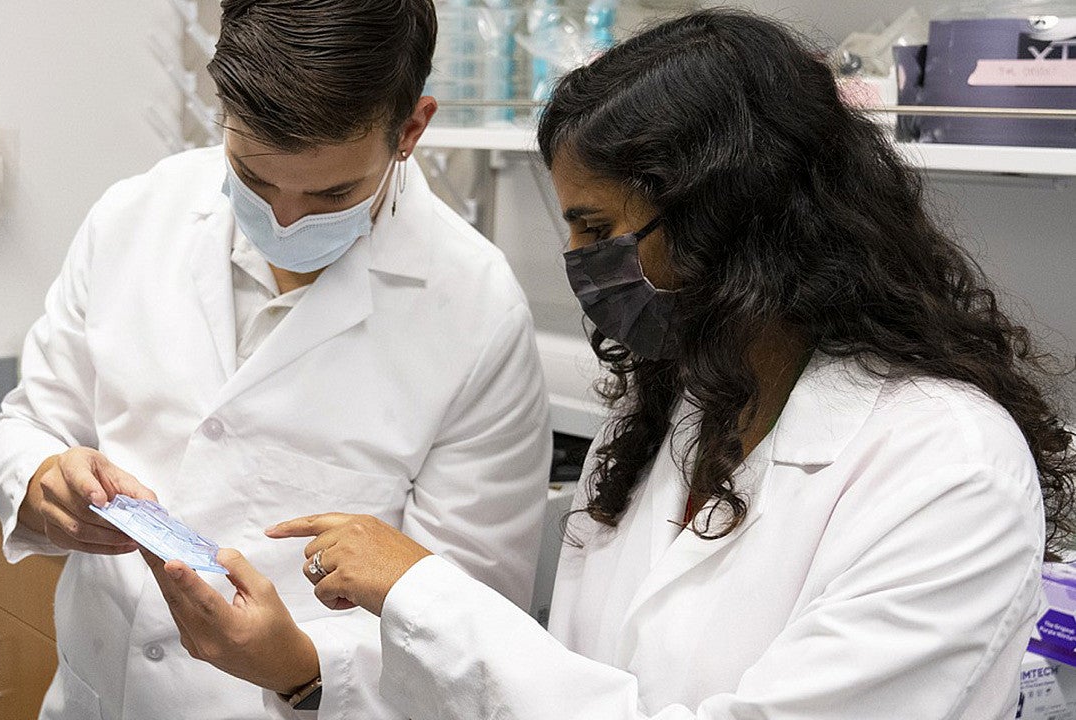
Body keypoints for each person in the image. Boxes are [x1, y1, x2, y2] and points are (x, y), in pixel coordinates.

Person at [144, 7, 1076, 720]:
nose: (582, 262)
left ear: (734, 216)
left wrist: (424, 591)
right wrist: (307, 671)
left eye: (598, 228)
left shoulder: (944, 466)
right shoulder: (678, 418)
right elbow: (570, 691)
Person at [0, 1, 552, 718]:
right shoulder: (135, 216)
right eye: (253, 179)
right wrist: (41, 484)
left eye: (332, 193)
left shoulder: (477, 310)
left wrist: (300, 670)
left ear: (410, 131)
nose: (285, 218)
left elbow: (471, 627)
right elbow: (31, 419)